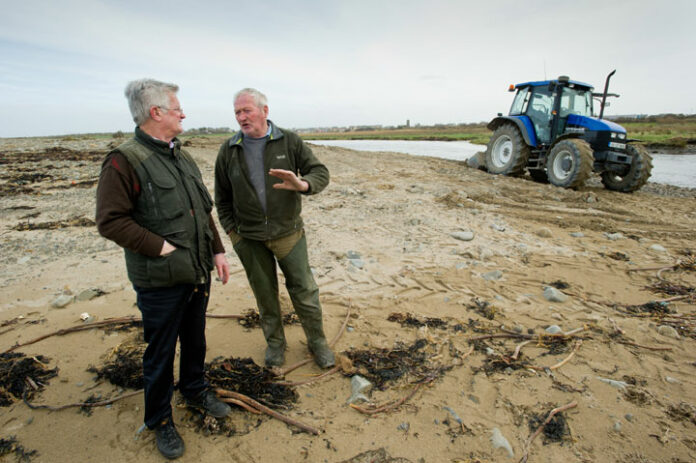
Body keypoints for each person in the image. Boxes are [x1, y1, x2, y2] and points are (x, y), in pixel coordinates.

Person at [96, 78, 231, 460]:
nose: (183, 113)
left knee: (195, 338)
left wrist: (218, 252)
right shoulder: (124, 160)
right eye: (177, 108)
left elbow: (202, 211)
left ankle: (194, 389)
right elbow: (110, 221)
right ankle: (159, 420)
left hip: (197, 271)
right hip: (159, 279)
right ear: (156, 113)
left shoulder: (180, 156)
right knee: (159, 351)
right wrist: (161, 247)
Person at [214, 88, 335, 369]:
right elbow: (221, 198)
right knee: (265, 296)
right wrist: (234, 233)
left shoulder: (289, 141)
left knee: (304, 291)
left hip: (289, 234)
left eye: (247, 110)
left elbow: (320, 172)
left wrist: (303, 185)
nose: (242, 117)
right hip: (249, 238)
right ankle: (276, 345)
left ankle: (318, 343)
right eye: (237, 112)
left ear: (264, 111)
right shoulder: (229, 149)